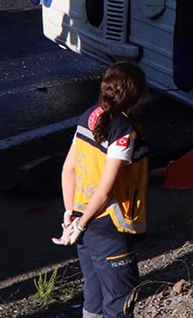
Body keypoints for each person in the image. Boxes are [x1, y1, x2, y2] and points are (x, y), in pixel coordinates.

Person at [54, 62, 150, 318]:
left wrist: (70, 216)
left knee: (93, 299)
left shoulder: (88, 116)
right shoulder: (123, 133)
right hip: (109, 229)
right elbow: (105, 191)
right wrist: (82, 224)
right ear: (138, 95)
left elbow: (68, 170)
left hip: (84, 226)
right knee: (120, 303)